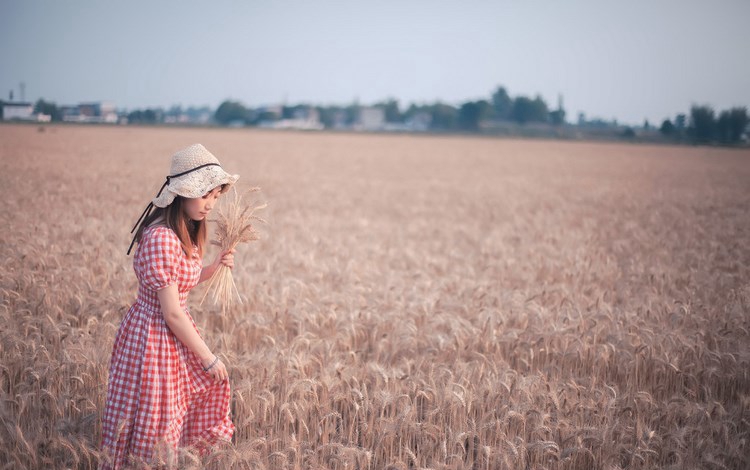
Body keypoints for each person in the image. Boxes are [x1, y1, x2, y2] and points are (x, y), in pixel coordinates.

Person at [101, 144, 238, 468]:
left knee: (166, 415)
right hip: (154, 337)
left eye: (216, 197)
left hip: (169, 334)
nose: (210, 204)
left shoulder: (181, 233)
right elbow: (172, 311)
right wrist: (207, 357)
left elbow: (182, 284)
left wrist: (216, 265)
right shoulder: (162, 237)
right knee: (156, 417)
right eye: (205, 194)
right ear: (183, 193)